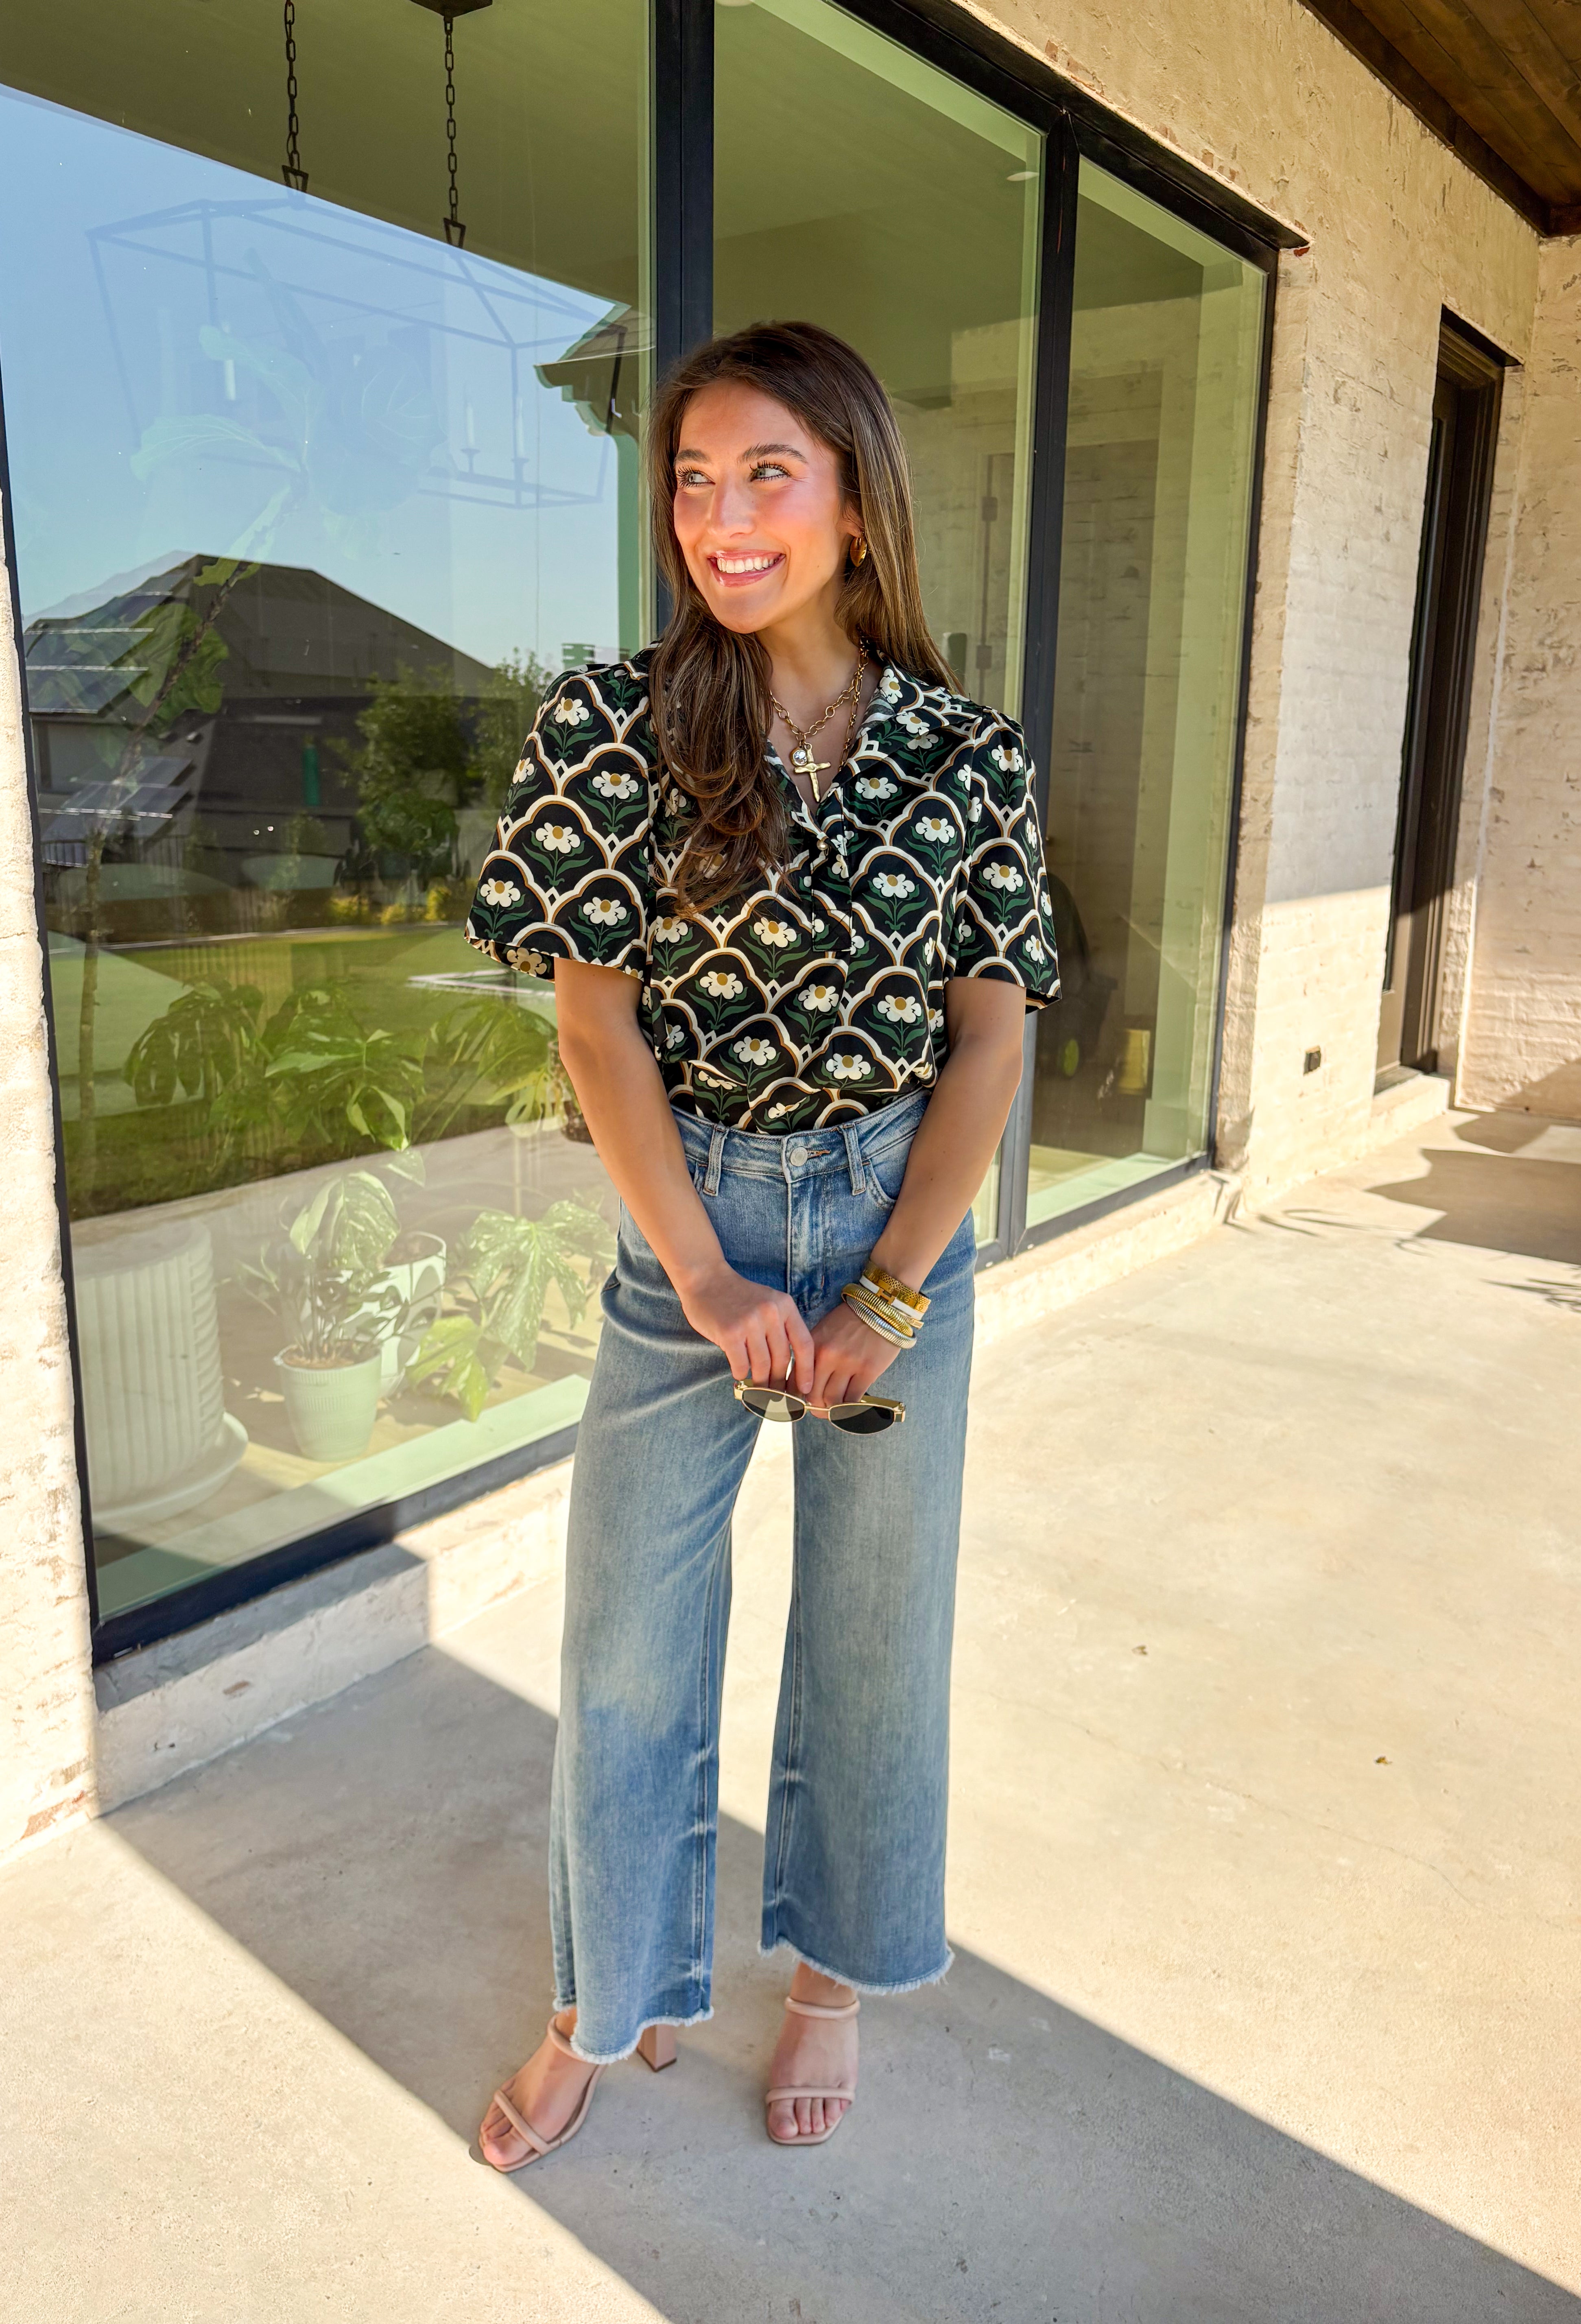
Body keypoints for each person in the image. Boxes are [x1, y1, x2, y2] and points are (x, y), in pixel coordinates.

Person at [465, 319, 1059, 2163]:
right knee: (630, 1638)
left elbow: (992, 1037)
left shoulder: (966, 756)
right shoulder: (613, 726)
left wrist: (890, 1287)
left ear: (855, 505)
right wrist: (710, 1275)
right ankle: (604, 1996)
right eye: (694, 480)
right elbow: (595, 1025)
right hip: (690, 1220)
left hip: (903, 1214)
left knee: (876, 1639)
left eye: (767, 475)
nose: (723, 518)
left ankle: (828, 1985)